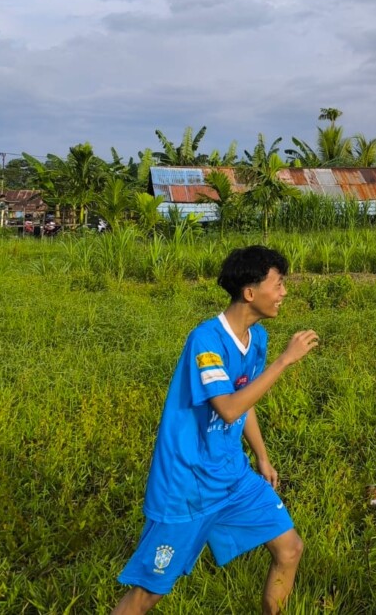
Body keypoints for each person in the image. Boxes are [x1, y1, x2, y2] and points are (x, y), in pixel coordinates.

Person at [111, 245, 320, 615]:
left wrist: (262, 456)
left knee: (290, 549)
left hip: (232, 475)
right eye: (279, 283)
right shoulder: (205, 341)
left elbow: (245, 398)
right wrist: (285, 361)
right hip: (187, 486)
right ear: (250, 293)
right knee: (148, 594)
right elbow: (227, 408)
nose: (285, 292)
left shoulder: (258, 339)